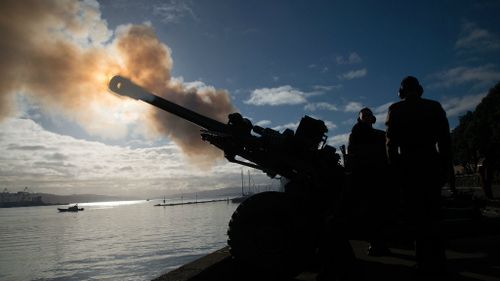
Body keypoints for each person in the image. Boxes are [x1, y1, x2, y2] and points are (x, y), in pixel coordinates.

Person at [385, 76, 454, 276]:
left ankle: (423, 262)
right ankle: (439, 260)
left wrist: (395, 169)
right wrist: (444, 166)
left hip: (408, 167)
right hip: (432, 164)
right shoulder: (435, 107)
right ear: (420, 90)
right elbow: (445, 141)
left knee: (416, 217)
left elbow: (391, 145)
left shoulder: (395, 110)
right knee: (434, 214)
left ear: (401, 92)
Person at [346, 107, 393, 256]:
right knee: (373, 213)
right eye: (364, 116)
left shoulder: (377, 135)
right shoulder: (357, 134)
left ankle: (378, 243)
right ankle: (376, 243)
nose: (367, 117)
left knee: (377, 213)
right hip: (367, 178)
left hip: (377, 177)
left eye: (368, 115)